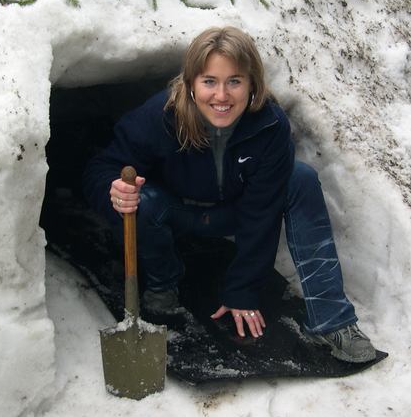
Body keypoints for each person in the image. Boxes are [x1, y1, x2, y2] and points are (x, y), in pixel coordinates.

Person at [83, 26, 376, 362]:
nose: (221, 96)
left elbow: (262, 213)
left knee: (301, 179)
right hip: (172, 213)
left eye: (234, 81)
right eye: (209, 81)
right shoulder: (161, 116)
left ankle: (332, 319)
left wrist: (242, 289)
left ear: (252, 84)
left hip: (233, 212)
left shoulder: (269, 126)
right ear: (191, 83)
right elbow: (101, 168)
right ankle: (162, 282)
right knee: (142, 199)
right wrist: (113, 191)